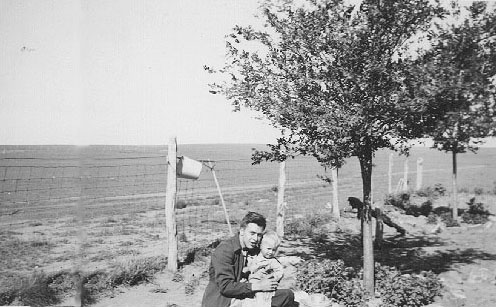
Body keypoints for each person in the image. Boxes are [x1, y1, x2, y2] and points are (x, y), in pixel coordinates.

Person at [201, 211, 295, 307]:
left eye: (259, 235)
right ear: (242, 231)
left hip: (244, 293)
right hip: (225, 301)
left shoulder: (252, 248)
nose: (255, 239)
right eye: (252, 233)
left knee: (287, 295)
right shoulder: (225, 250)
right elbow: (226, 286)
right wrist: (259, 285)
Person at [241, 230, 284, 307]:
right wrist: (247, 271)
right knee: (247, 300)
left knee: (262, 300)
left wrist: (273, 277)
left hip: (263, 285)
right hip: (251, 284)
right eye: (268, 249)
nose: (271, 252)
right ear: (261, 246)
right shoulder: (255, 257)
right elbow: (250, 268)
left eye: (274, 250)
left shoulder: (272, 261)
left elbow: (279, 271)